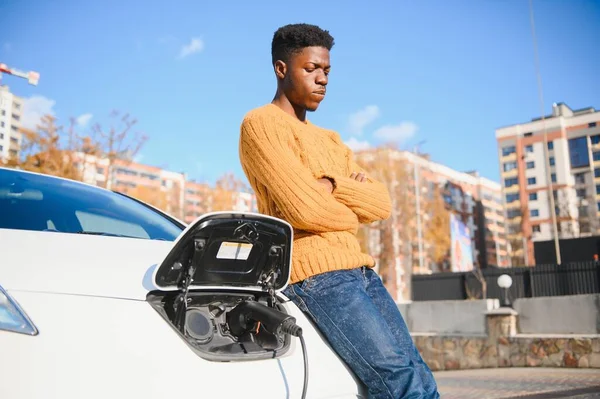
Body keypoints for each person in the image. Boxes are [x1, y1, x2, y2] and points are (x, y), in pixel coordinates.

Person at [238, 23, 440, 399]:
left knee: (417, 370)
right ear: (282, 69)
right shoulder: (260, 124)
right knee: (398, 380)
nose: (322, 79)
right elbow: (305, 211)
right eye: (311, 69)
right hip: (316, 274)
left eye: (327, 71)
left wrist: (331, 185)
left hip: (361, 271)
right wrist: (350, 212)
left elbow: (381, 203)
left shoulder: (331, 140)